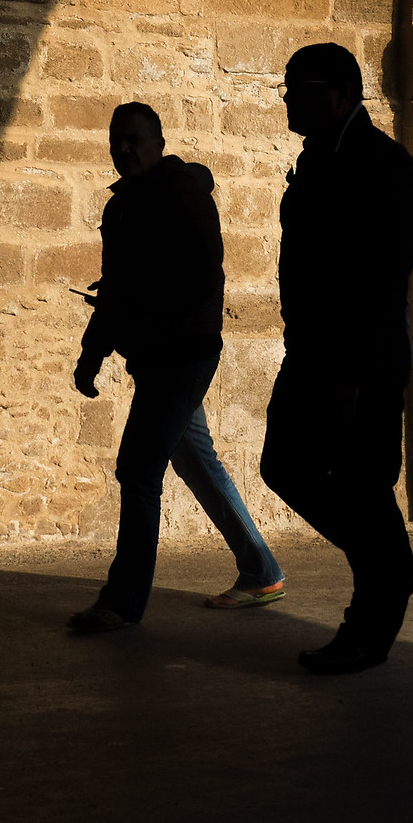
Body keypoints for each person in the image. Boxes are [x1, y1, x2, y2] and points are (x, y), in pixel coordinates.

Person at [68, 103, 287, 633]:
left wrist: (140, 305)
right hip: (154, 357)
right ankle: (261, 571)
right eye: (117, 140)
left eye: (135, 139)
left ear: (159, 143)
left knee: (138, 471)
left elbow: (203, 279)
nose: (125, 149)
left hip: (182, 357)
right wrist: (93, 353)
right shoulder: (122, 207)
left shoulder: (181, 196)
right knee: (194, 461)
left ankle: (122, 602)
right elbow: (117, 286)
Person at [259, 42, 413, 675]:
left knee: (361, 483)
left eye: (299, 88)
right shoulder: (319, 158)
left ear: (339, 92)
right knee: (285, 465)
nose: (288, 100)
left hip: (359, 363)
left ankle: (369, 624)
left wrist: (354, 372)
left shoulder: (381, 163)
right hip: (312, 352)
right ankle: (389, 566)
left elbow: (384, 277)